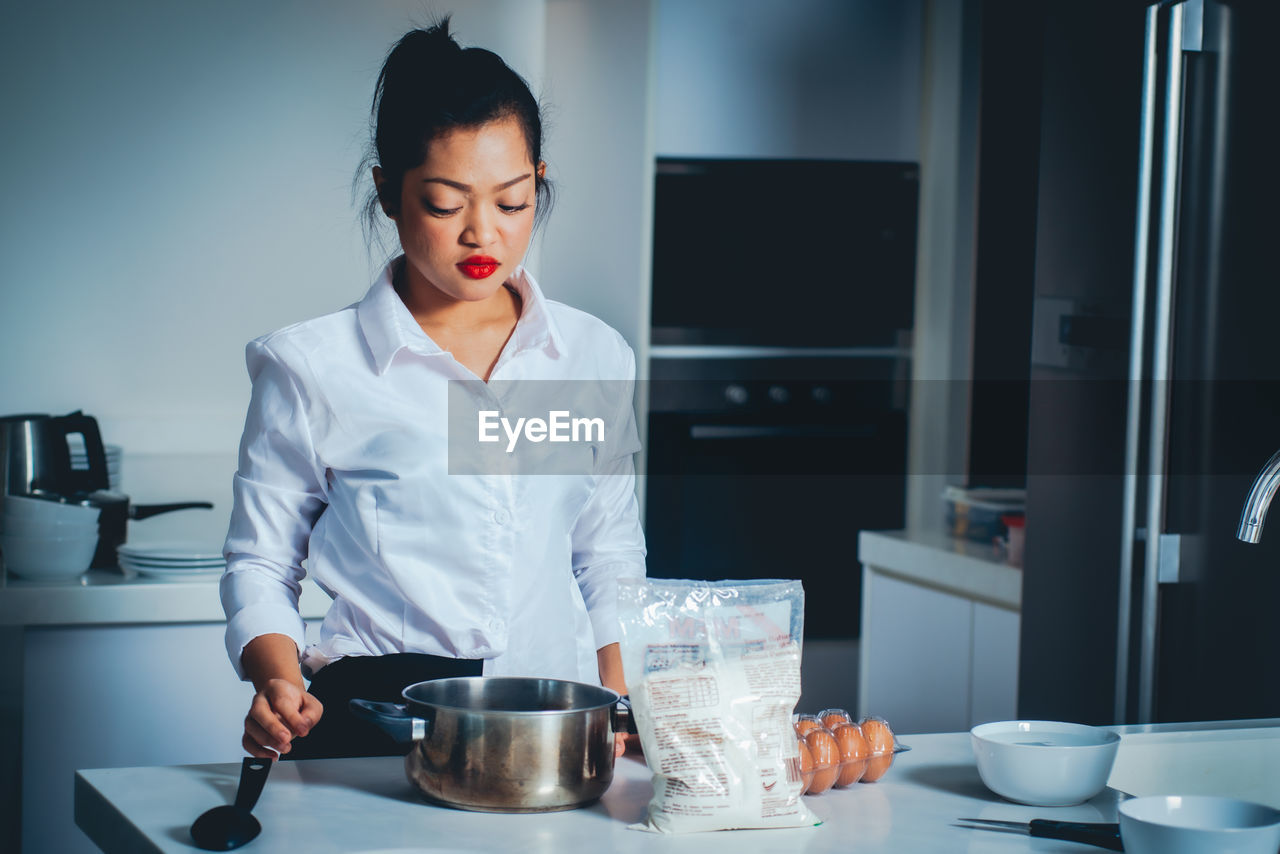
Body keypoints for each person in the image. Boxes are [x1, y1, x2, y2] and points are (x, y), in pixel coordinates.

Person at [220, 18, 646, 761]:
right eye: (447, 205)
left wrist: (618, 708)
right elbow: (260, 561)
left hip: (549, 726)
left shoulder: (588, 354)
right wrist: (278, 681)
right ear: (388, 193)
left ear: (538, 182)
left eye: (512, 203)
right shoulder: (313, 367)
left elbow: (606, 556)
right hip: (373, 725)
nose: (484, 234)